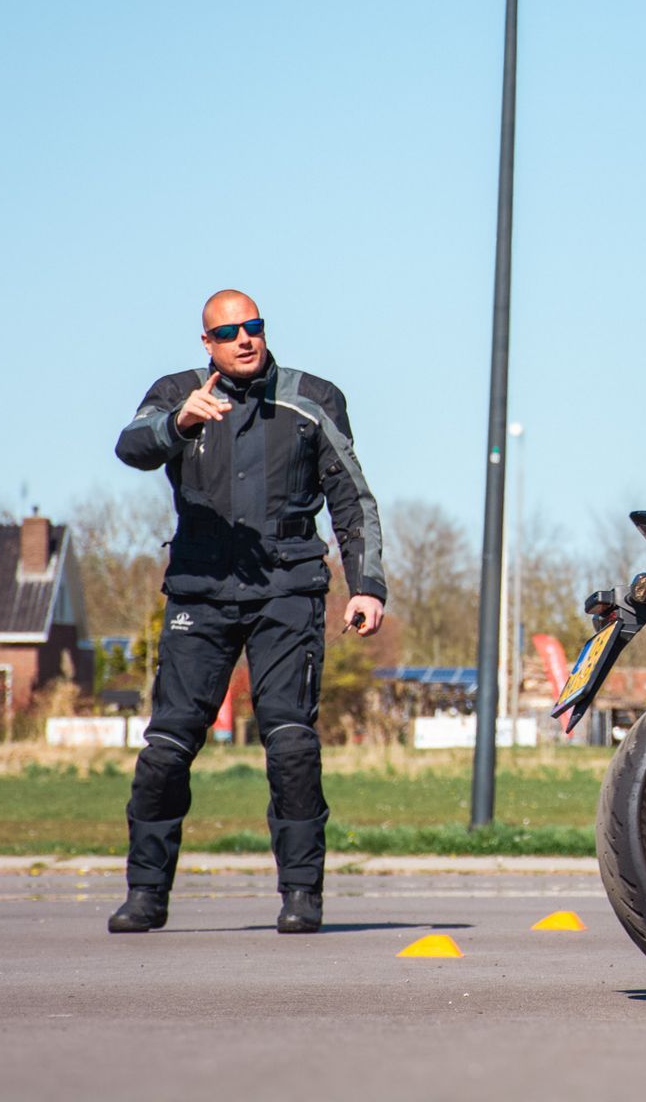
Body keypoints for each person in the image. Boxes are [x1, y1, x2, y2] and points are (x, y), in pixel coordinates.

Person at [108, 290, 386, 933]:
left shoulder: (312, 397)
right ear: (206, 342)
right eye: (228, 331)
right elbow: (129, 446)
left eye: (252, 327)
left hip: (287, 588)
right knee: (167, 747)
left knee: (290, 742)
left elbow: (352, 497)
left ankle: (301, 896)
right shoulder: (177, 393)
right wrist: (177, 423)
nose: (244, 339)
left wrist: (366, 585)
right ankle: (145, 894)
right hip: (199, 590)